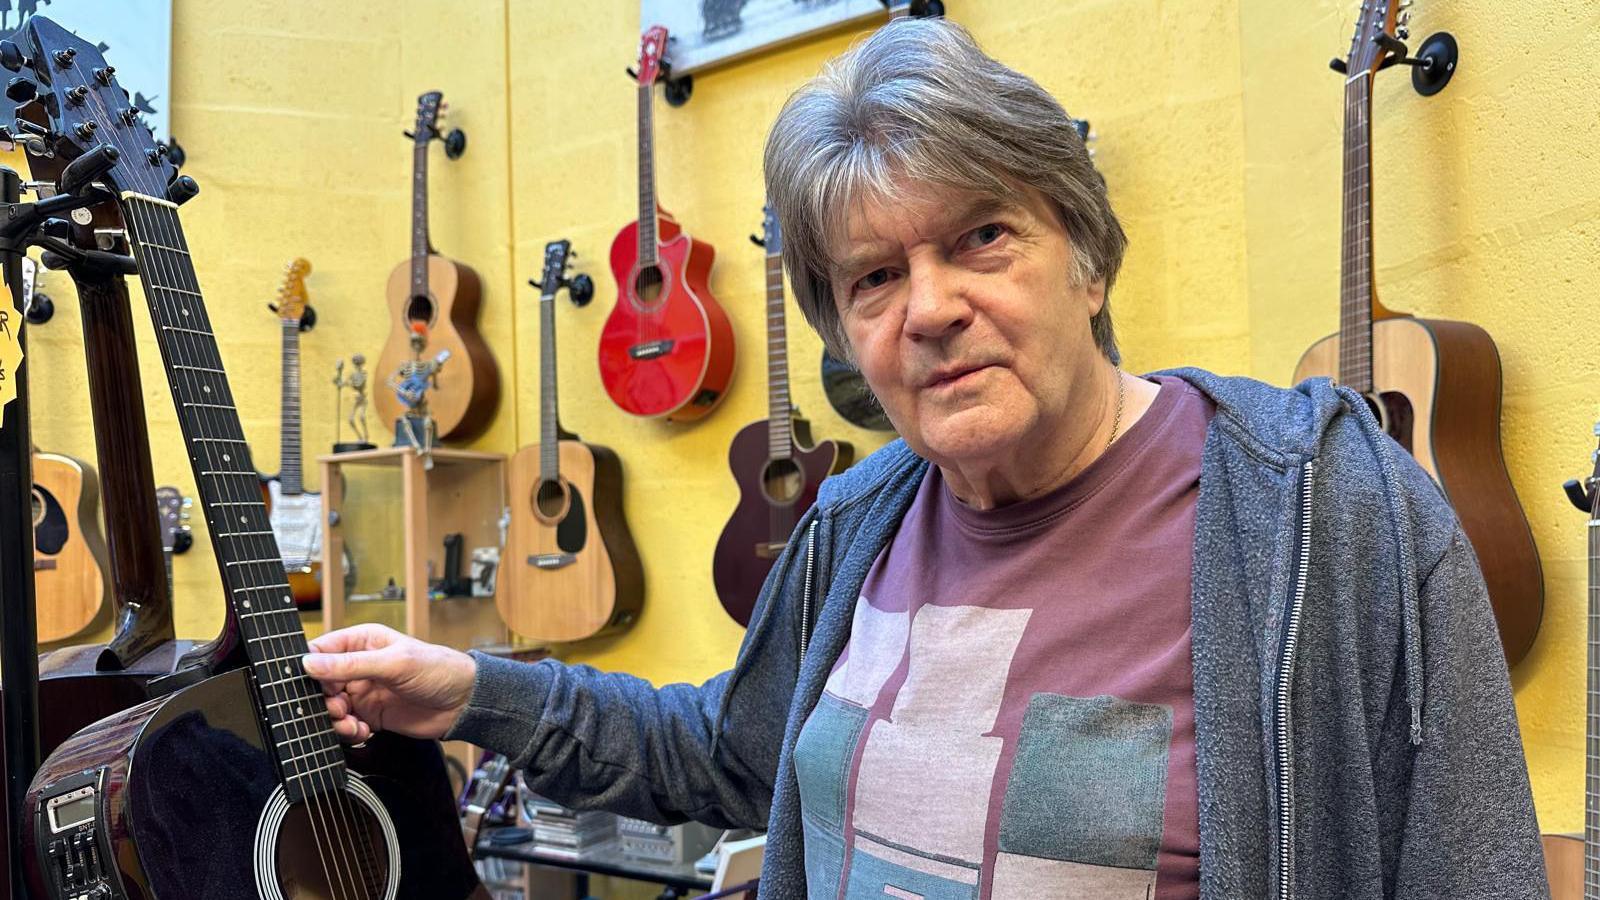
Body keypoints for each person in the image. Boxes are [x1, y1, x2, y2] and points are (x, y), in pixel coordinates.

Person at [302, 19, 1546, 899]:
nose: (931, 307)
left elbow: (1470, 865)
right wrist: (466, 691)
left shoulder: (1326, 513)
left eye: (982, 239)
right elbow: (725, 753)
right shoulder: (854, 522)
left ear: (1088, 255)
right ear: (844, 329)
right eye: (875, 278)